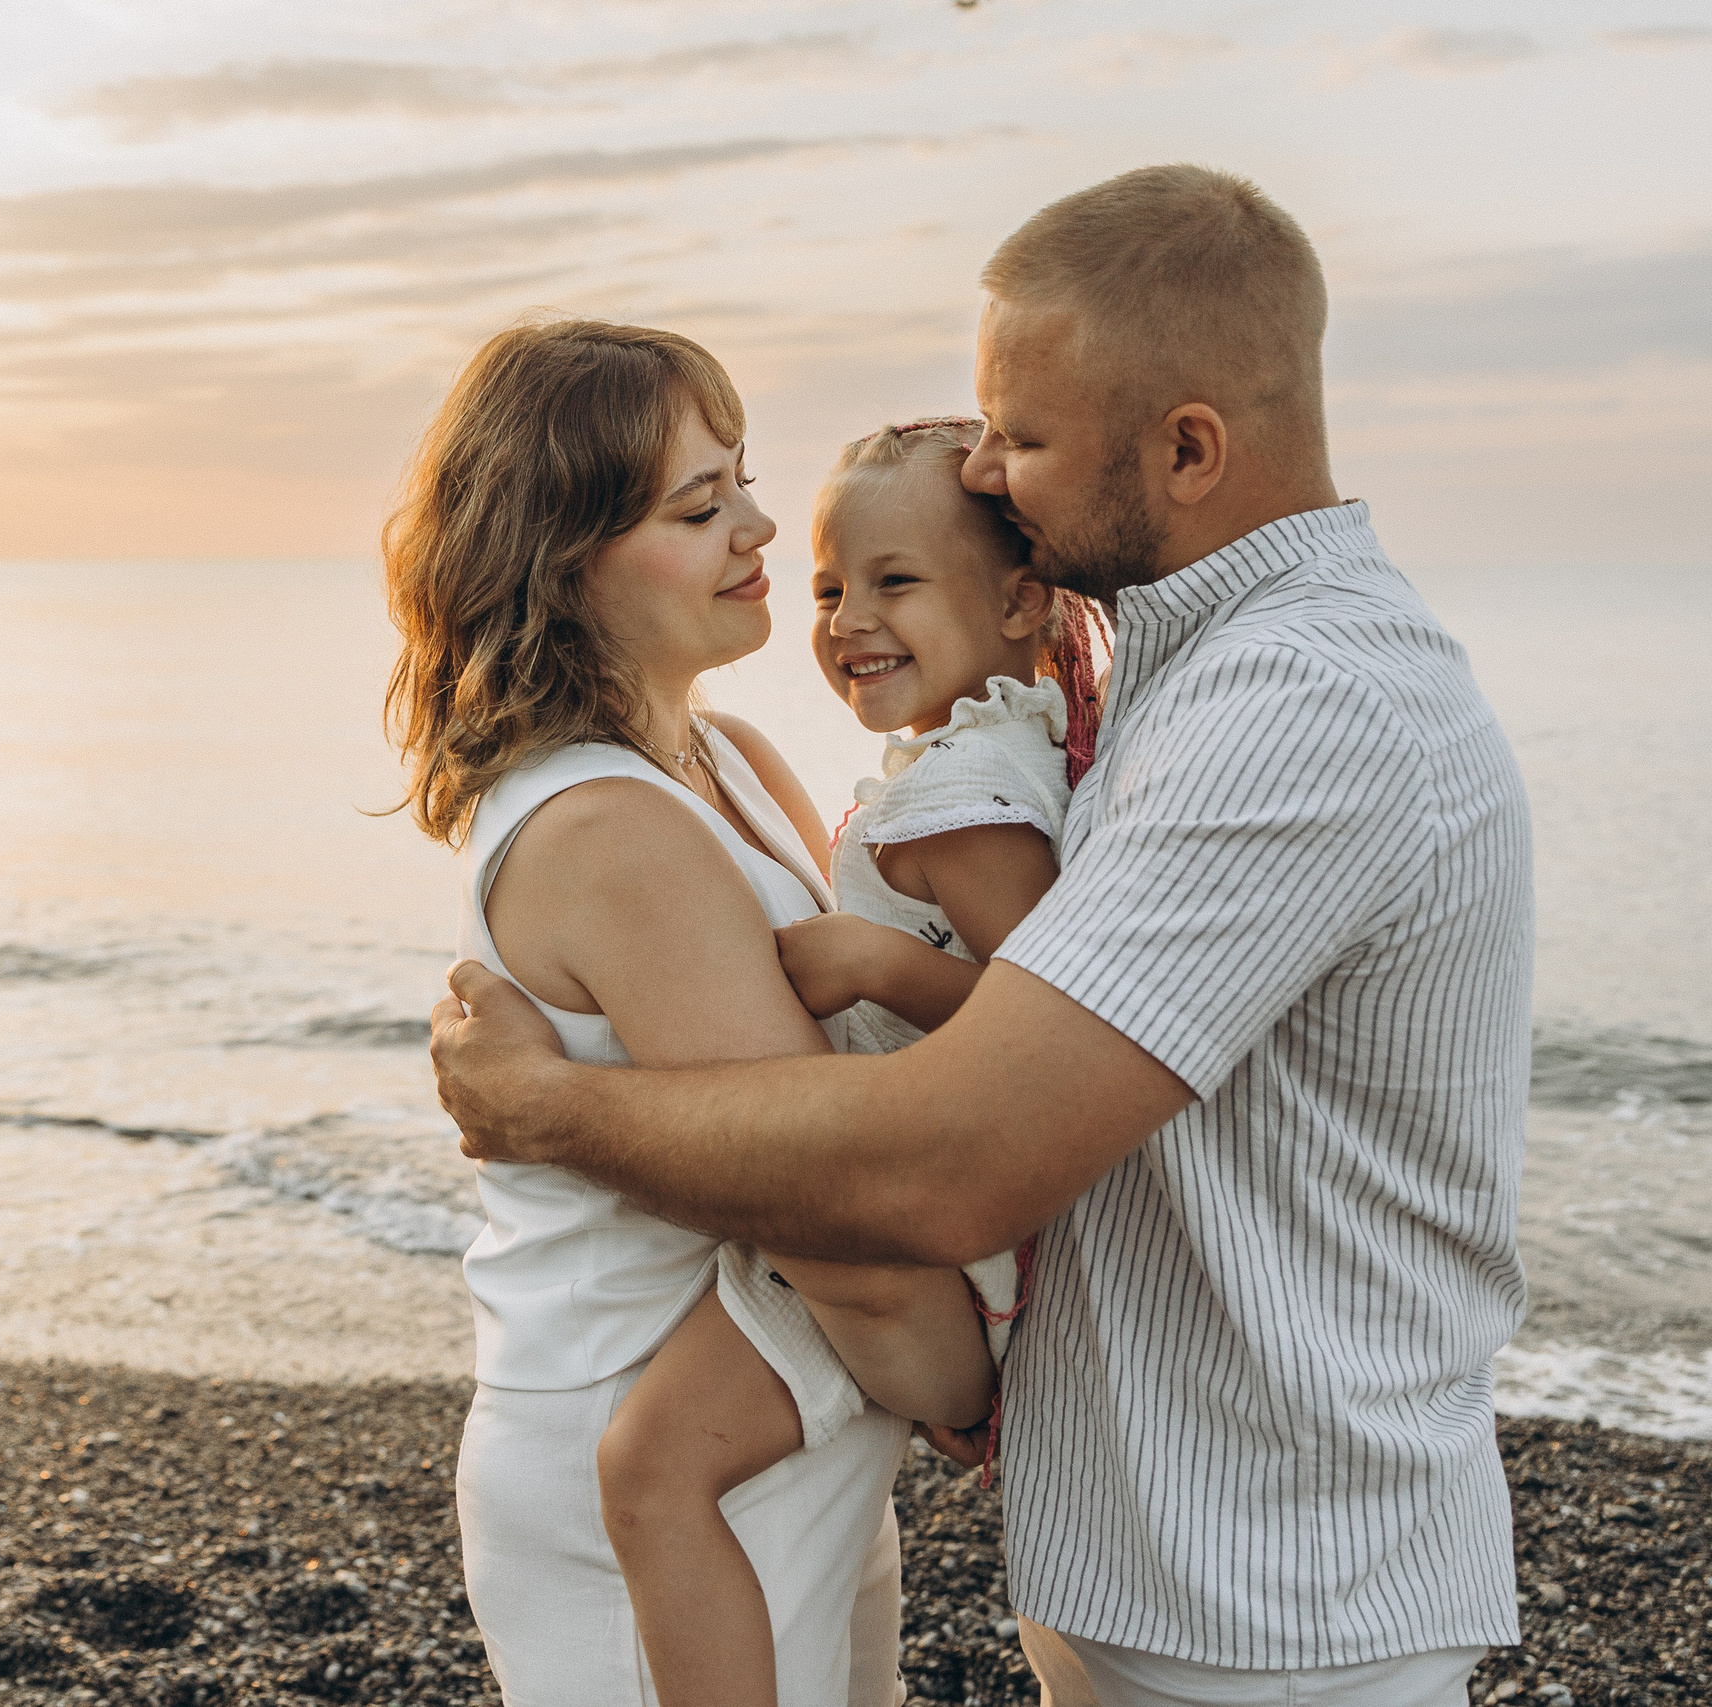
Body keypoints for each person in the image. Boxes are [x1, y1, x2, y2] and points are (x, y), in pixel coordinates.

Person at [430, 164, 1534, 1707]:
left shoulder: (1298, 709)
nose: (989, 475)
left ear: (1189, 449)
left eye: (1019, 434)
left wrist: (544, 1109)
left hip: (1273, 1593)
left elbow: (945, 1158)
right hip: (1161, 1556)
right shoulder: (1159, 675)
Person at [384, 317, 994, 1706]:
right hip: (656, 1454)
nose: (763, 526)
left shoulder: (728, 752)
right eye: (699, 506)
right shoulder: (610, 829)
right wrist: (974, 1390)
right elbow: (827, 1200)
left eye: (745, 481)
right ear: (564, 564)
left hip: (798, 1412)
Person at [600, 415, 1114, 1704]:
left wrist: (880, 967)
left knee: (652, 1472)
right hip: (915, 1201)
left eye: (895, 582)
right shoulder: (975, 757)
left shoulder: (968, 801)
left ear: (1017, 601)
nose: (845, 619)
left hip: (912, 1222)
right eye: (832, 587)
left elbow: (1050, 1023)